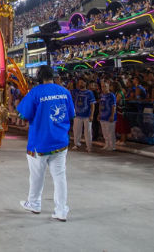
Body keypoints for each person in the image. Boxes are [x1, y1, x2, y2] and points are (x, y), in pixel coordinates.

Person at [17, 65, 75, 222]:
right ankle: (61, 210)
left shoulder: (35, 92)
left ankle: (34, 203)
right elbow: (70, 115)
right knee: (60, 177)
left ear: (38, 77)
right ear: (53, 76)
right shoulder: (64, 92)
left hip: (40, 143)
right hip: (60, 142)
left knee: (36, 176)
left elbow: (23, 114)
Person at [71, 78, 96, 152]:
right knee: (76, 130)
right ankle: (76, 144)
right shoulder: (76, 92)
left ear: (85, 83)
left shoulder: (89, 93)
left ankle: (89, 146)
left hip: (87, 115)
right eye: (79, 83)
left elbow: (92, 105)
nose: (80, 84)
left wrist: (92, 115)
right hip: (77, 115)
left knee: (88, 131)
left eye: (82, 82)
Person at [98, 81, 117, 151]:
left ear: (108, 87)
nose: (103, 88)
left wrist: (112, 115)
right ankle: (107, 144)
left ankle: (112, 146)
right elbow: (100, 105)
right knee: (105, 132)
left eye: (105, 86)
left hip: (109, 117)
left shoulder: (112, 95)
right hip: (103, 116)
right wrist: (99, 114)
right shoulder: (102, 95)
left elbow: (113, 106)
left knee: (110, 132)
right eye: (102, 86)